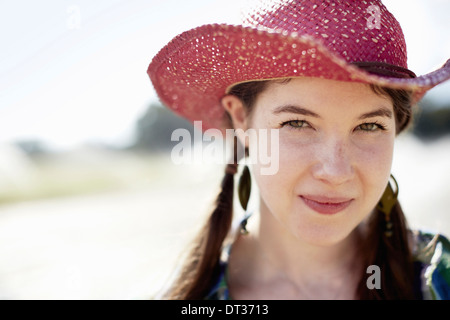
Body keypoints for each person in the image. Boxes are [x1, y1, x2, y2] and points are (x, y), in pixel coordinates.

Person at [147, 0, 450, 300]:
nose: (336, 171)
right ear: (241, 118)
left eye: (369, 126)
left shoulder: (439, 275)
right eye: (298, 123)